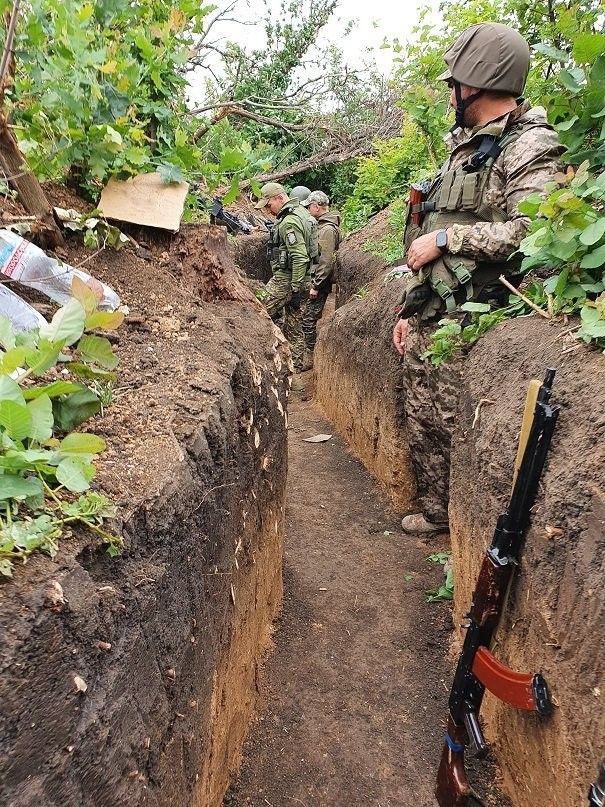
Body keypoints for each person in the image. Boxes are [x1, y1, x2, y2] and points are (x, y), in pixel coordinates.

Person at [392, 22, 564, 535]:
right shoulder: (466, 147)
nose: (450, 93)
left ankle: (458, 525)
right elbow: (434, 228)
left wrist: (450, 242)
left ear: (479, 83)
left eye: (455, 84)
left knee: (454, 418)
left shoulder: (529, 145)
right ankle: (436, 512)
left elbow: (536, 231)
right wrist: (408, 309)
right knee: (423, 415)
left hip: (482, 312)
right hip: (438, 308)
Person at [254, 182, 315, 392]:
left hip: (287, 281)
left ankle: (259, 369)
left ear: (280, 198)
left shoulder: (289, 222)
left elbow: (299, 256)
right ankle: (294, 380)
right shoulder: (304, 214)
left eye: (268, 204)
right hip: (303, 280)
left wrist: (295, 289)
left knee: (254, 315)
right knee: (295, 330)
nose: (267, 209)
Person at [300, 190, 342, 368]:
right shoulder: (323, 226)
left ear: (316, 207)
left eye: (309, 207)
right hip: (317, 280)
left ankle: (311, 357)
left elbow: (325, 261)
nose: (308, 210)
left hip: (320, 283)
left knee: (308, 319)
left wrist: (316, 286)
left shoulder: (326, 230)